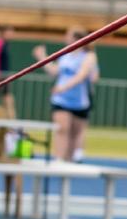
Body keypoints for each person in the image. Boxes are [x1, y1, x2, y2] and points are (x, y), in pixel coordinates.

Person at [32, 28, 99, 162]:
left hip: (79, 101)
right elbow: (54, 71)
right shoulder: (65, 55)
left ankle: (70, 161)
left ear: (76, 39)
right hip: (61, 100)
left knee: (75, 133)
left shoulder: (89, 56)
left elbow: (81, 75)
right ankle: (59, 159)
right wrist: (42, 57)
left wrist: (63, 87)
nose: (65, 38)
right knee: (62, 130)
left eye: (68, 36)